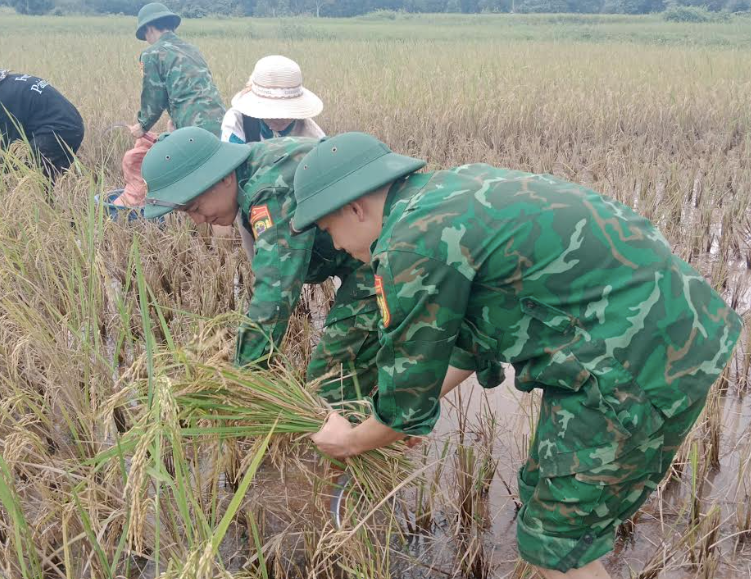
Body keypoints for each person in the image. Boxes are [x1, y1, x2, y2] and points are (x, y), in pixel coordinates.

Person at [291, 132, 744, 579]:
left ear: (356, 207)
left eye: (330, 230)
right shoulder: (447, 194)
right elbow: (470, 346)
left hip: (634, 362)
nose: (335, 247)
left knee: (554, 542)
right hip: (672, 327)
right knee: (542, 502)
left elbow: (404, 405)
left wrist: (353, 440)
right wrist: (401, 417)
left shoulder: (410, 243)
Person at [140, 127, 380, 404]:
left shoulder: (269, 190)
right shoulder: (253, 166)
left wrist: (242, 380)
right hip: (363, 259)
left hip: (385, 261)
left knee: (330, 386)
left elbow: (275, 295)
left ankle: (363, 435)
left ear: (224, 177)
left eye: (195, 207)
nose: (197, 220)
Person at [0, 58, 84, 183]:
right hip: (73, 126)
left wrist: (1, 176)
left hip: (57, 131)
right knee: (47, 178)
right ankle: (49, 199)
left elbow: (11, 146)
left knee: (16, 166)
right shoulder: (12, 82)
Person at [130, 3, 226, 140]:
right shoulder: (192, 49)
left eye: (145, 35)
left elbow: (154, 98)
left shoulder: (151, 54)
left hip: (194, 128)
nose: (147, 40)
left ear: (149, 28)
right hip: (223, 122)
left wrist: (142, 125)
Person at [221, 55, 325, 145]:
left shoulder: (312, 136)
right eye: (272, 111)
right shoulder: (238, 121)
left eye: (287, 111)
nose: (279, 118)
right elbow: (231, 164)